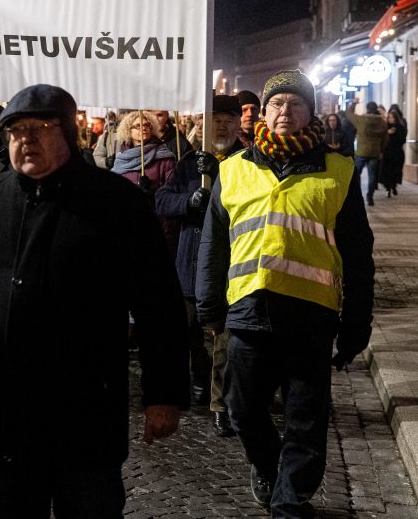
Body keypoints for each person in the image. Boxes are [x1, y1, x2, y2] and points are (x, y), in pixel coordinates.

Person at [0, 84, 189, 517]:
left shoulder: (118, 204)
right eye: (15, 130)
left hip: (85, 413)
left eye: (39, 128)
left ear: (68, 133)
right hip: (4, 415)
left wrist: (164, 392)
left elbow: (157, 301)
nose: (25, 139)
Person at [196, 69, 375, 517]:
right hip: (249, 313)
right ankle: (272, 472)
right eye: (277, 103)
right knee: (241, 412)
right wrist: (210, 304)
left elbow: (357, 254)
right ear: (261, 113)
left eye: (296, 104)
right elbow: (214, 242)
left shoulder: (339, 171)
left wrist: (357, 322)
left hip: (310, 317)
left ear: (312, 113)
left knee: (306, 423)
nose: (284, 111)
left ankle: (289, 504)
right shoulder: (233, 169)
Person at [155, 95, 245, 436]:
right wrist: (188, 201)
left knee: (225, 338)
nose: (221, 125)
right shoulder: (188, 162)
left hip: (229, 263)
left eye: (227, 119)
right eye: (215, 119)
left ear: (238, 124)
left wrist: (220, 175)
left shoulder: (247, 161)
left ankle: (221, 403)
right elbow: (164, 200)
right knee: (188, 333)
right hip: (190, 262)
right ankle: (197, 376)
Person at [111, 110, 178, 249]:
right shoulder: (121, 159)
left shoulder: (164, 158)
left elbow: (173, 192)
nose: (143, 128)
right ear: (128, 131)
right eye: (138, 126)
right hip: (128, 225)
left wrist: (151, 192)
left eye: (147, 125)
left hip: (156, 224)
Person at [346, 100, 389, 206]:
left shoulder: (362, 120)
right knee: (372, 175)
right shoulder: (382, 122)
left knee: (356, 174)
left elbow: (348, 114)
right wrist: (381, 150)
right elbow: (385, 138)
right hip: (375, 152)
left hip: (361, 151)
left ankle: (357, 194)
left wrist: (354, 103)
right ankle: (370, 196)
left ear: (367, 109)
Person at [379, 109, 406, 197]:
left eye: (392, 117)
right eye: (389, 117)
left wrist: (396, 134)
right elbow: (381, 139)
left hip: (397, 153)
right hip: (387, 153)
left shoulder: (401, 127)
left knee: (396, 170)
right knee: (387, 171)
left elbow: (403, 140)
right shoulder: (385, 127)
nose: (391, 119)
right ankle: (388, 188)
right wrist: (388, 133)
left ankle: (394, 186)